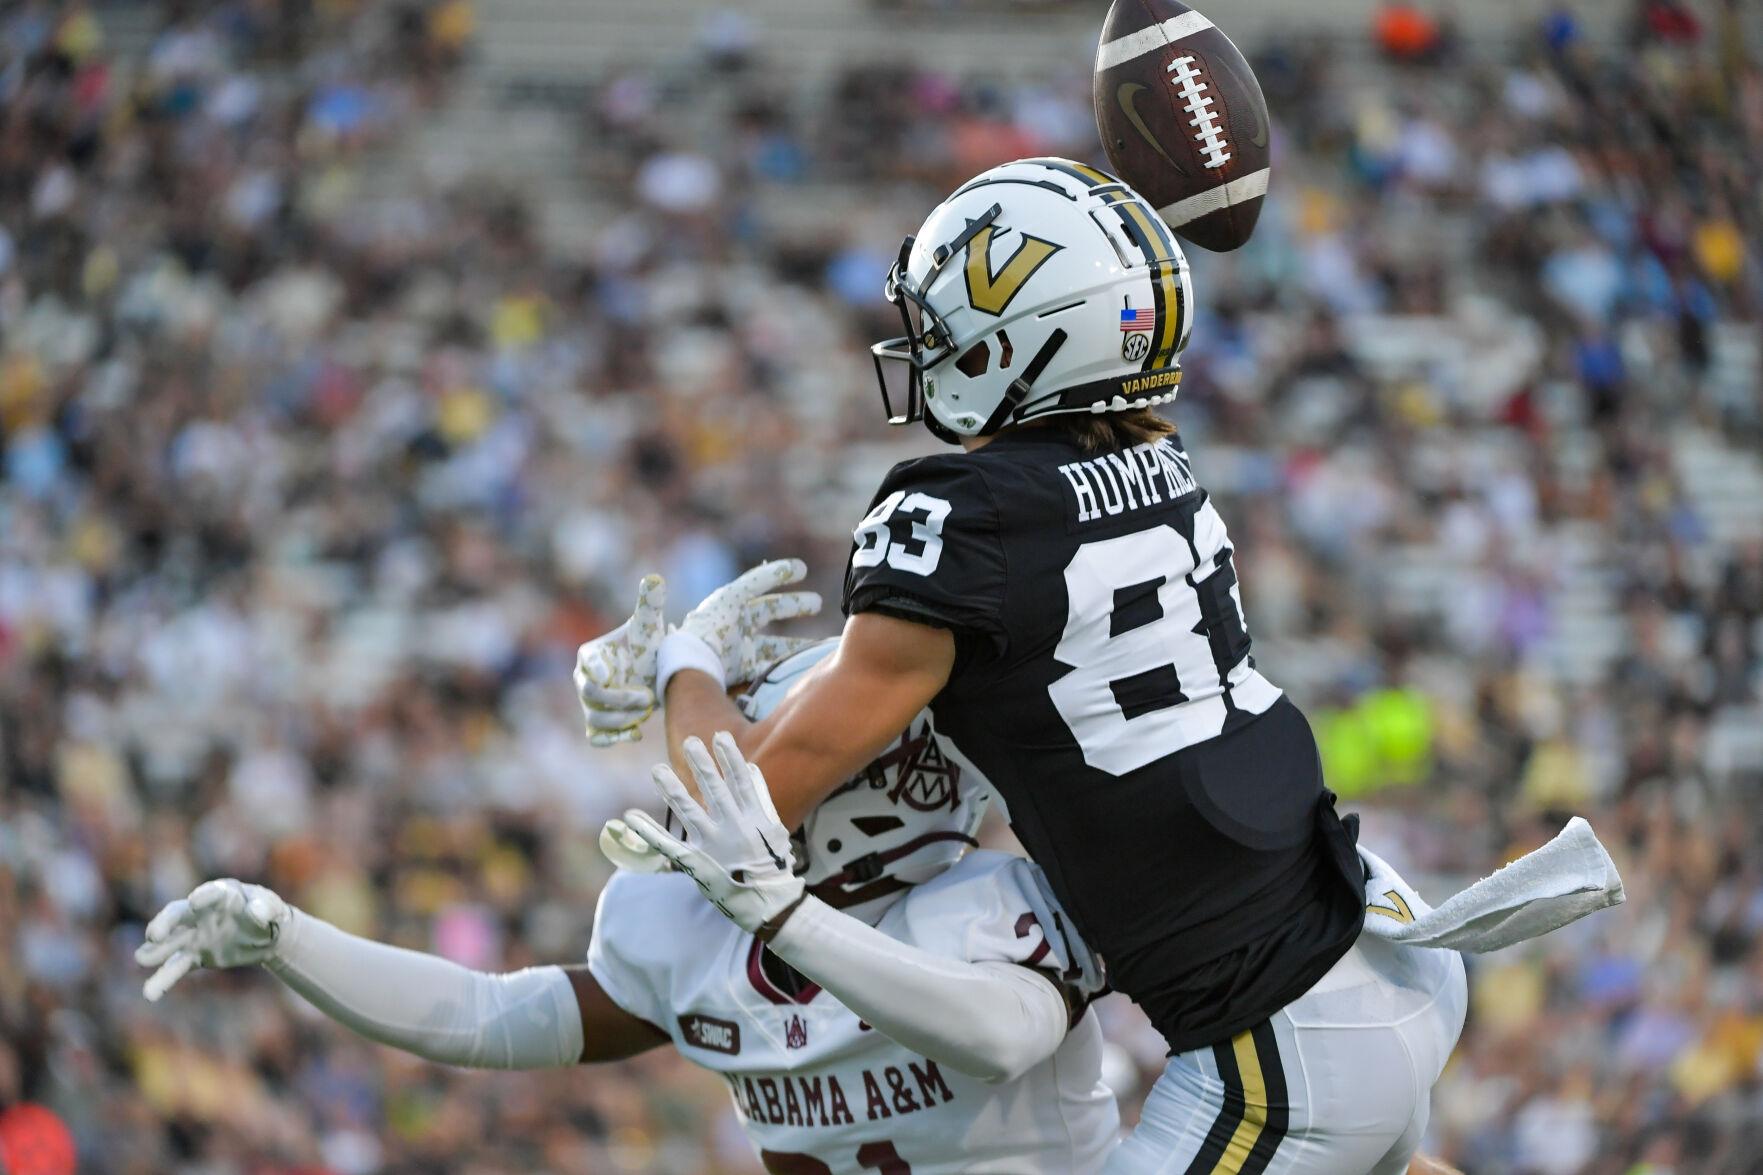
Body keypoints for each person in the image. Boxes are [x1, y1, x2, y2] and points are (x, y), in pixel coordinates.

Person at [575, 158, 1463, 1173]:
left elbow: (740, 804)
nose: (925, 343)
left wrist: (684, 662)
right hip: (1371, 948)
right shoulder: (1158, 469)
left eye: (945, 320)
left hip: (1276, 1035)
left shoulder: (956, 518)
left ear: (1029, 336)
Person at [138, 642, 1120, 1175]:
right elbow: (488, 1015)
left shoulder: (990, 905)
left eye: (765, 749)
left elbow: (998, 1031)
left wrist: (781, 912)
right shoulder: (697, 937)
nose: (730, 771)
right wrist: (288, 937)